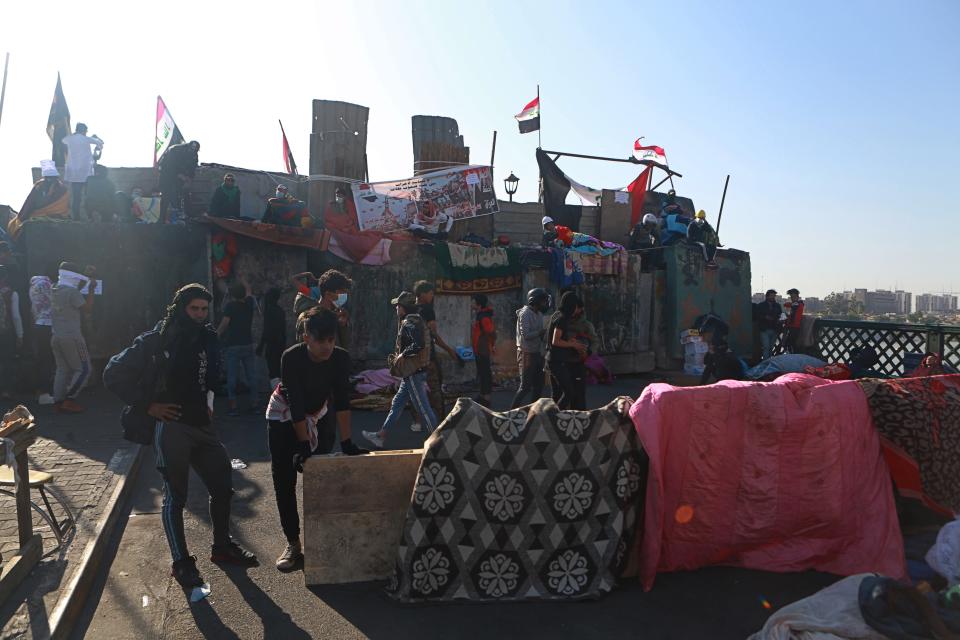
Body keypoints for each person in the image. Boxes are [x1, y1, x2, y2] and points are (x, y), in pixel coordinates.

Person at [103, 284, 257, 589]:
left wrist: (210, 403)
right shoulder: (157, 339)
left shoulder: (208, 337)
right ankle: (181, 562)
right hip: (172, 426)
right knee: (176, 496)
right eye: (193, 309)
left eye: (203, 309)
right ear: (180, 307)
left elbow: (211, 376)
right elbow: (113, 372)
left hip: (202, 425)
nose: (199, 315)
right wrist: (149, 405)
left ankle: (222, 548)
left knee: (223, 485)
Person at [266, 307, 367, 571]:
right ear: (306, 337)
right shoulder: (292, 358)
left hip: (319, 414)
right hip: (284, 415)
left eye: (331, 340)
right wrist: (302, 444)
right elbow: (296, 404)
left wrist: (347, 443)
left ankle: (321, 539)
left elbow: (342, 400)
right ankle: (293, 543)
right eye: (320, 340)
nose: (327, 347)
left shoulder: (340, 358)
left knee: (320, 476)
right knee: (284, 479)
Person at [362, 291, 437, 448]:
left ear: (403, 308)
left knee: (423, 407)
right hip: (412, 371)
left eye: (398, 305)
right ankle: (380, 436)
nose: (396, 308)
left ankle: (439, 441)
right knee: (397, 402)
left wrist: (401, 356)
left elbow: (417, 345)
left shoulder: (410, 322)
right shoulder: (415, 320)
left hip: (413, 372)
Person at [406, 280, 464, 430]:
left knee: (414, 391)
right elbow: (434, 335)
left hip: (413, 357)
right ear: (423, 294)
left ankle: (417, 422)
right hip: (428, 357)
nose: (432, 295)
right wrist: (449, 350)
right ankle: (442, 422)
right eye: (431, 293)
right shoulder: (427, 310)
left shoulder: (409, 309)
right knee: (435, 389)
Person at [51, 262, 96, 413]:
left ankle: (58, 401)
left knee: (62, 369)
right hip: (72, 337)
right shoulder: (72, 293)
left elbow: (75, 288)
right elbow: (88, 309)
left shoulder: (54, 288)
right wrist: (91, 290)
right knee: (84, 369)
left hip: (56, 336)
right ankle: (70, 399)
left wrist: (86, 276)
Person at [216, 279, 261, 416]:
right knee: (251, 376)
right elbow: (248, 291)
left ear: (232, 294)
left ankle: (234, 406)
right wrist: (242, 280)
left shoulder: (230, 306)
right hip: (247, 344)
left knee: (232, 377)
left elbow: (224, 324)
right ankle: (255, 404)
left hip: (233, 345)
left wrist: (216, 335)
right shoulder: (249, 303)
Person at [546, 292, 588, 410]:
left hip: (552, 360)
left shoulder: (557, 315)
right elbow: (555, 341)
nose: (576, 309)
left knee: (557, 394)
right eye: (575, 306)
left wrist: (570, 341)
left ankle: (551, 418)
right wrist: (573, 345)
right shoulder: (562, 318)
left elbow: (557, 338)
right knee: (569, 392)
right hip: (556, 362)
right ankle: (555, 417)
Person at [7, 162, 69, 239]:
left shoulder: (62, 189)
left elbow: (63, 207)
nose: (49, 180)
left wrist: (23, 218)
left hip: (55, 216)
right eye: (48, 178)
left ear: (55, 177)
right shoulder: (39, 186)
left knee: (21, 227)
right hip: (37, 214)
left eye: (51, 178)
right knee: (13, 225)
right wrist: (22, 217)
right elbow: (29, 204)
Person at [511, 288, 550, 409]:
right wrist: (540, 332)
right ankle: (512, 412)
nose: (545, 304)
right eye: (543, 301)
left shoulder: (538, 314)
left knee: (539, 385)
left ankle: (533, 411)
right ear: (535, 301)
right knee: (525, 387)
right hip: (526, 354)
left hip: (537, 353)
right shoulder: (525, 313)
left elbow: (539, 335)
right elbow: (526, 335)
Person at [292, 269, 352, 346]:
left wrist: (342, 326)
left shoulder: (335, 314)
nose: (345, 295)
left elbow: (342, 348)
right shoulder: (308, 318)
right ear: (328, 294)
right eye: (342, 292)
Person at [61, 123, 104, 221]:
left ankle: (76, 218)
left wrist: (74, 134)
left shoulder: (70, 139)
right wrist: (96, 137)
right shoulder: (86, 139)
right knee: (88, 196)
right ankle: (89, 217)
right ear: (84, 130)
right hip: (86, 173)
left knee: (76, 197)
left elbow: (63, 140)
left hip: (74, 174)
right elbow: (101, 143)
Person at [29, 270, 55, 404]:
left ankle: (39, 390)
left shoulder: (33, 286)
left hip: (38, 323)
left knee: (41, 358)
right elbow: (53, 302)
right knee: (48, 359)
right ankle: (45, 393)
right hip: (48, 324)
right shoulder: (46, 284)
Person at [158, 140, 200, 223]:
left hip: (181, 178)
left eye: (194, 150)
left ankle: (185, 216)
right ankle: (162, 219)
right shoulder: (174, 150)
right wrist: (179, 175)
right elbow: (168, 166)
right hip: (167, 176)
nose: (192, 151)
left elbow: (193, 167)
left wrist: (189, 178)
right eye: (191, 149)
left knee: (184, 194)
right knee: (166, 196)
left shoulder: (194, 155)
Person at [0, 266, 24, 399]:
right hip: (6, 332)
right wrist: (20, 335)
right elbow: (15, 316)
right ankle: (6, 390)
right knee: (7, 361)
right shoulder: (11, 293)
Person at [257, 287, 286, 390]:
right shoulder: (281, 311)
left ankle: (276, 394)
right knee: (279, 370)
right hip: (280, 344)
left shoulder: (269, 312)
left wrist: (261, 346)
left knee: (273, 372)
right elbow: (283, 331)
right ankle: (281, 394)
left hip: (272, 344)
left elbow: (266, 330)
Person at [471, 293, 497, 407]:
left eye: (473, 301)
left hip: (483, 349)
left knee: (485, 373)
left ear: (478, 304)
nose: (471, 303)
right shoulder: (480, 315)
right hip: (480, 349)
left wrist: (490, 346)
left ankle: (486, 398)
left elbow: (490, 332)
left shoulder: (484, 317)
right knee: (482, 373)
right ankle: (482, 395)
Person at [754, 289, 782, 361]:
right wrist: (765, 317)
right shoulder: (761, 305)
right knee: (766, 347)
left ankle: (769, 362)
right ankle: (766, 362)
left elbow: (780, 315)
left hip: (774, 329)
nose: (773, 297)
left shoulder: (777, 306)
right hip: (764, 329)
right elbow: (757, 315)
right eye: (771, 296)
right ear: (767, 296)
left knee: (770, 347)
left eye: (774, 296)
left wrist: (779, 319)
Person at [783, 288, 805, 353]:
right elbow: (786, 305)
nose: (793, 298)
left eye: (794, 297)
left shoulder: (799, 304)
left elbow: (786, 305)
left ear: (798, 297)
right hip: (790, 326)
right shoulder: (795, 304)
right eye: (791, 297)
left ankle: (792, 355)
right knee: (790, 343)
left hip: (795, 327)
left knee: (790, 343)